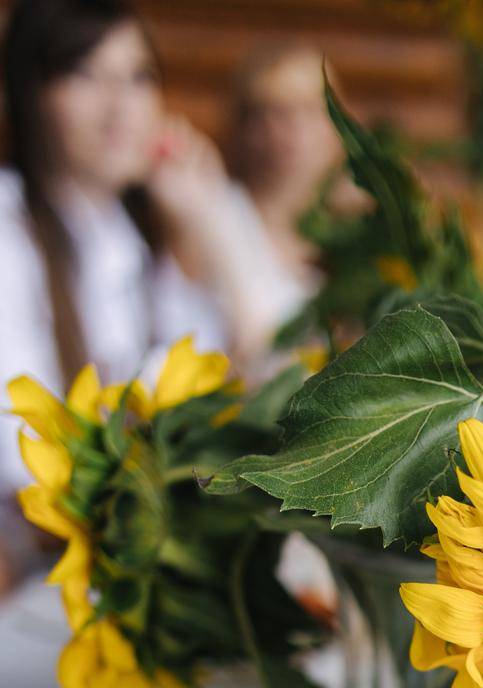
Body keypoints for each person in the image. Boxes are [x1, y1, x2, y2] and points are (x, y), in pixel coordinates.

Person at [0, 0, 297, 588]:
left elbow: (263, 369)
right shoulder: (10, 226)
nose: (121, 109)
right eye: (86, 75)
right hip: (44, 580)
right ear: (30, 91)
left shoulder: (134, 235)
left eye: (138, 77)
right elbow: (22, 467)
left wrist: (209, 224)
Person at [227, 43, 342, 316]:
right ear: (246, 127)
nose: (295, 127)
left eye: (311, 108)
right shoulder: (221, 214)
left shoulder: (355, 226)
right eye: (275, 111)